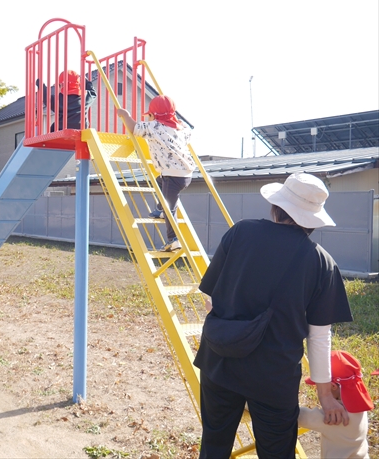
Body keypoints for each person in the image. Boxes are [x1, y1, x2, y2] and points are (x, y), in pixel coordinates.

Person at [193, 172, 353, 458]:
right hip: (274, 377)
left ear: (276, 207)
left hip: (220, 362)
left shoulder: (240, 232)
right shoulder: (321, 262)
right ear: (313, 219)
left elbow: (212, 298)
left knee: (214, 446)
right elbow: (319, 337)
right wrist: (325, 397)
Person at [117, 95, 195, 252]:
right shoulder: (181, 129)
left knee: (170, 208)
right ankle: (160, 210)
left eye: (150, 115)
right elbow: (188, 130)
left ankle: (173, 239)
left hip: (172, 175)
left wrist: (126, 115)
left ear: (153, 116)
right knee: (159, 182)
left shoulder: (153, 127)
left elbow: (134, 128)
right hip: (185, 174)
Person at [299, 350, 373, 459]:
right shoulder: (360, 406)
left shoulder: (336, 417)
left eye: (318, 385)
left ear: (332, 386)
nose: (316, 388)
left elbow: (299, 416)